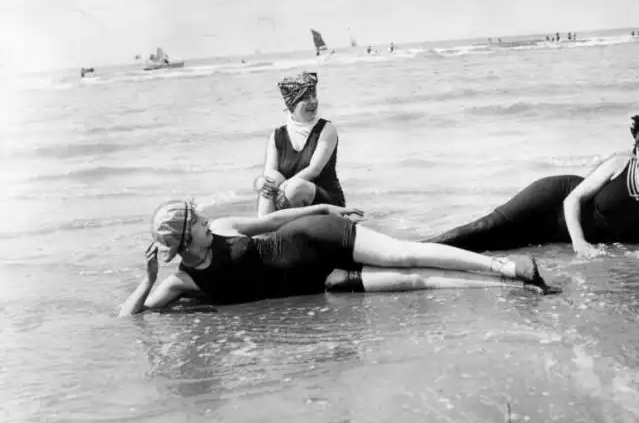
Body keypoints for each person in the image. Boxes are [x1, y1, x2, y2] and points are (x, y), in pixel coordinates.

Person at [117, 201, 558, 316]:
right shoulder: (180, 281)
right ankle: (510, 286)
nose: (202, 218)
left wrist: (323, 210)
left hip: (316, 238)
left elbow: (272, 222)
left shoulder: (223, 227)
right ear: (182, 237)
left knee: (403, 255)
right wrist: (148, 277)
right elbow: (129, 317)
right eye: (194, 219)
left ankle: (506, 267)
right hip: (320, 281)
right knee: (414, 282)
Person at [424, 114, 639, 258]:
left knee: (494, 248)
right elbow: (572, 200)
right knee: (483, 230)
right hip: (553, 201)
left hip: (559, 235)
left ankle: (422, 259)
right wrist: (580, 245)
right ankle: (413, 251)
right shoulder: (620, 163)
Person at [254, 72, 345, 217]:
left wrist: (283, 189)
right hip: (288, 201)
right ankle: (263, 235)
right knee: (269, 183)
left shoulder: (326, 130)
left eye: (314, 96)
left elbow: (313, 170)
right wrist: (261, 183)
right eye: (306, 98)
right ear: (292, 104)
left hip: (327, 201)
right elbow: (270, 172)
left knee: (296, 188)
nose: (313, 102)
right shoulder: (277, 136)